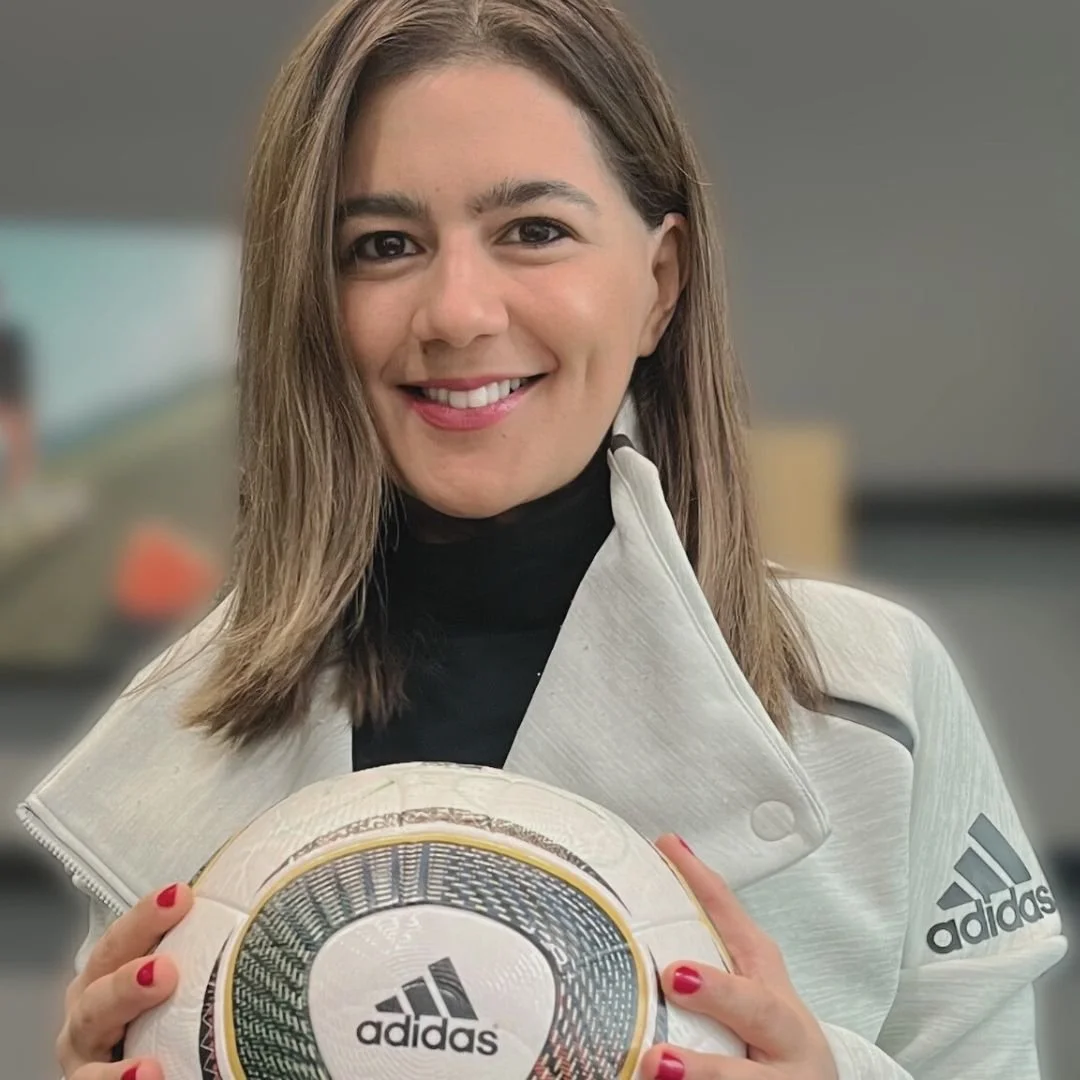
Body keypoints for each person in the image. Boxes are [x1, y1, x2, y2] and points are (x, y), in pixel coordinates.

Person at [18, 1, 1066, 1078]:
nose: (457, 312)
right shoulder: (180, 735)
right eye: (383, 246)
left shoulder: (871, 694)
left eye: (533, 231)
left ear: (659, 284)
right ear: (310, 301)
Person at [0, 283, 36, 498]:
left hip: (17, 399)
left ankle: (20, 496)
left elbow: (21, 372)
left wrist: (24, 401)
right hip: (10, 400)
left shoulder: (13, 338)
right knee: (19, 450)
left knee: (22, 451)